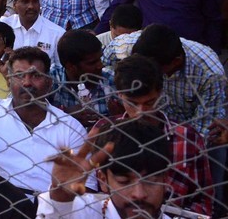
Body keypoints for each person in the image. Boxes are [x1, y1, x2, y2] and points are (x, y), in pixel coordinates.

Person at [0, 46, 88, 195]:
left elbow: (86, 189)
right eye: (19, 75)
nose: (27, 83)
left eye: (35, 76)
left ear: (49, 82)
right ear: (8, 81)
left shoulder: (71, 128)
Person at [100, 54, 214, 215]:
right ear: (119, 95)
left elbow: (204, 200)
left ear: (160, 94)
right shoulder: (104, 132)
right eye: (132, 103)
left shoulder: (186, 137)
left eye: (149, 102)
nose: (141, 112)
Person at [38, 120, 172, 219]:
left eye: (151, 181)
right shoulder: (81, 212)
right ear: (103, 180)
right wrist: (61, 196)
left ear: (165, 181)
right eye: (124, 181)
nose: (139, 194)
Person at [50, 30, 116, 129]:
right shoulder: (51, 80)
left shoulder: (111, 80)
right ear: (71, 66)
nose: (100, 65)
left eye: (100, 59)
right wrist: (65, 115)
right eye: (92, 63)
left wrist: (116, 117)